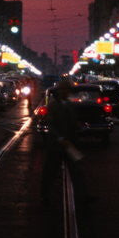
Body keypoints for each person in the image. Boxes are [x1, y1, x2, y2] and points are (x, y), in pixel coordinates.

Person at [40, 78, 88, 207]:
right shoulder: (52, 105)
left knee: (77, 171)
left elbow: (72, 122)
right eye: (65, 89)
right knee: (50, 171)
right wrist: (60, 138)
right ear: (60, 91)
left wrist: (79, 127)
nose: (67, 92)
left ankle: (83, 196)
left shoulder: (69, 104)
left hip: (69, 144)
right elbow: (50, 124)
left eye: (68, 90)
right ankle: (44, 196)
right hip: (57, 145)